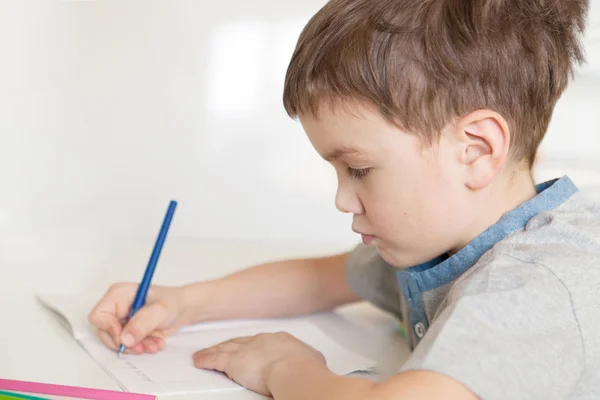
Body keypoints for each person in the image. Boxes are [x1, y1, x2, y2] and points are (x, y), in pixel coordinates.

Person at [88, 0, 600, 398]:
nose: (341, 198)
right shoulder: (445, 243)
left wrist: (284, 369)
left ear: (475, 151)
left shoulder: (534, 287)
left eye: (358, 168)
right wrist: (183, 303)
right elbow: (320, 280)